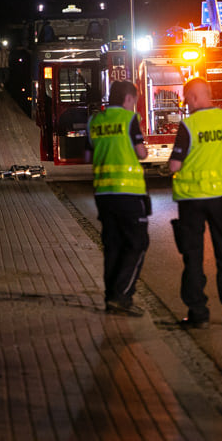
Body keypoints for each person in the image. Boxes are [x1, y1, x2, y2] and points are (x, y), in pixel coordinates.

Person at [169, 77, 222, 328]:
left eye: (186, 99)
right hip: (221, 199)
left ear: (194, 97)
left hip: (191, 200)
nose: (186, 104)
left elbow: (175, 165)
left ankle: (198, 314)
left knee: (193, 257)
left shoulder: (189, 125)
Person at [86, 80, 149, 316]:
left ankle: (110, 297)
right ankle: (121, 296)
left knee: (112, 246)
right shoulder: (129, 120)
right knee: (138, 244)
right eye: (135, 100)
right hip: (129, 194)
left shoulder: (95, 120)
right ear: (129, 99)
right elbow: (141, 153)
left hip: (104, 194)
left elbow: (86, 156)